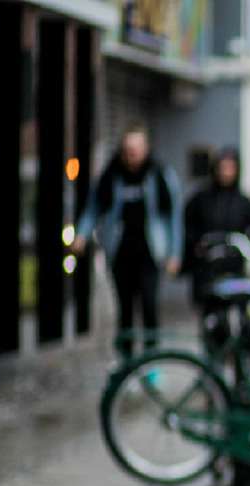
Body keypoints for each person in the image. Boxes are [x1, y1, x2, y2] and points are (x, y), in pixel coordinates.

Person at [71, 122, 183, 344]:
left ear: (145, 148)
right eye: (127, 149)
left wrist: (174, 254)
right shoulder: (111, 176)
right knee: (125, 309)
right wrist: (81, 234)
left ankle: (151, 358)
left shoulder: (160, 175)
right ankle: (126, 361)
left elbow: (173, 216)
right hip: (120, 252)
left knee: (149, 306)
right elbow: (94, 208)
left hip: (150, 253)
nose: (131, 154)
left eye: (136, 149)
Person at [181, 147, 250, 304]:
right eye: (222, 168)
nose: (226, 173)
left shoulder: (243, 202)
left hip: (234, 266)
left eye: (230, 168)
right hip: (207, 266)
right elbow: (187, 225)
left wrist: (245, 246)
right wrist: (196, 244)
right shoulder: (201, 198)